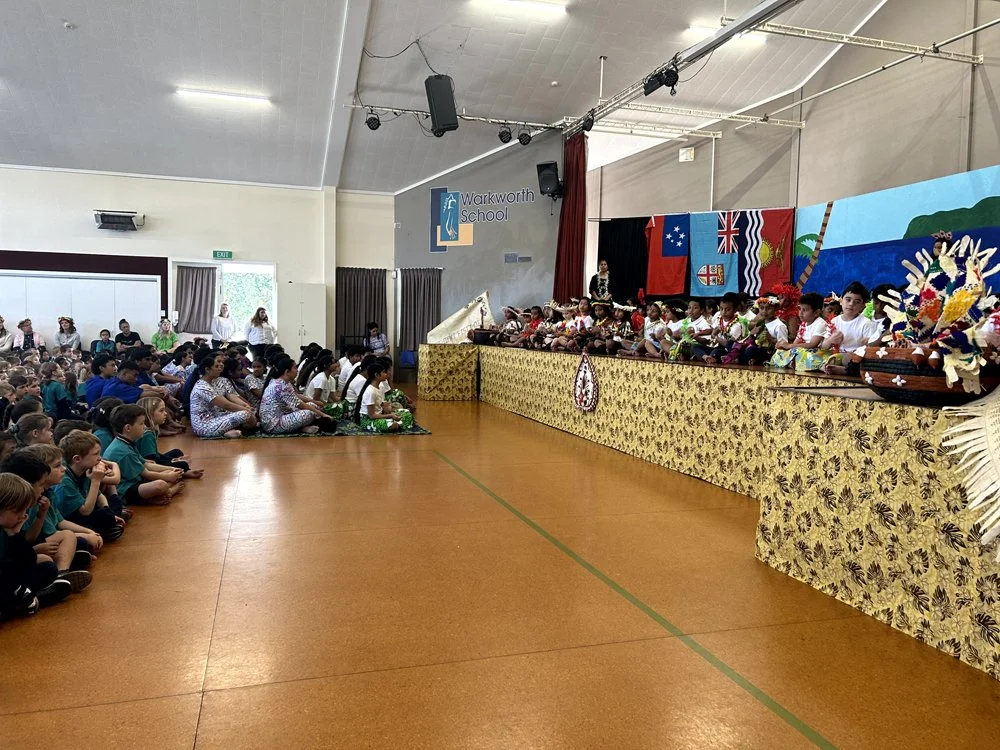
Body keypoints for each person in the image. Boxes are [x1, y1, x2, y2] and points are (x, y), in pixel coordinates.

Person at [15, 444, 106, 561]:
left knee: (91, 532)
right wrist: (86, 536)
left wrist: (90, 532)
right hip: (43, 541)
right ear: (43, 471)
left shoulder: (48, 492)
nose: (64, 469)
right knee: (83, 540)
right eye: (57, 466)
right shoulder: (37, 498)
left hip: (53, 537)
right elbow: (51, 532)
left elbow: (60, 521)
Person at [0, 472, 74, 616]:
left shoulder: (9, 527)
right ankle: (32, 600)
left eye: (24, 510)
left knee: (48, 567)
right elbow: (8, 569)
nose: (23, 516)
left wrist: (15, 535)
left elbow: (28, 561)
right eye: (17, 511)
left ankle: (25, 600)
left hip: (11, 581)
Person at [102, 404, 184, 506]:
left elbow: (145, 464)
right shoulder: (123, 451)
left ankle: (153, 498)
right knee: (160, 485)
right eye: (141, 424)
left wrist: (171, 469)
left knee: (169, 473)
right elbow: (147, 473)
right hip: (124, 490)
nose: (144, 427)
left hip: (136, 481)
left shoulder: (127, 442)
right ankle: (169, 492)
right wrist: (169, 477)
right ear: (128, 428)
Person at [189, 355, 258, 439]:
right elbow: (226, 405)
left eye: (221, 364)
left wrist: (245, 406)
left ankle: (229, 431)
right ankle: (228, 432)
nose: (220, 368)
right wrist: (246, 409)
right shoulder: (202, 387)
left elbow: (231, 397)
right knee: (245, 414)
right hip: (204, 426)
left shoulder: (213, 382)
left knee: (247, 413)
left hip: (216, 417)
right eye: (216, 366)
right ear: (207, 370)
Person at [822, 282, 882, 375]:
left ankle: (842, 370)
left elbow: (870, 350)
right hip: (834, 355)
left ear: (863, 306)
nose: (851, 304)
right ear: (841, 301)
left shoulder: (866, 323)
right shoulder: (834, 321)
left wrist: (866, 343)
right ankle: (826, 367)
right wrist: (830, 340)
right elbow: (824, 346)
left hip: (853, 358)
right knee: (810, 354)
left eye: (857, 302)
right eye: (848, 300)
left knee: (850, 359)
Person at [136, 396, 203, 478]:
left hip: (152, 461)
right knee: (183, 464)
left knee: (176, 452)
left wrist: (172, 460)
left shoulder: (151, 431)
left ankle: (181, 471)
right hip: (148, 464)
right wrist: (173, 461)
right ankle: (183, 473)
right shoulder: (148, 435)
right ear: (149, 414)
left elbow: (155, 454)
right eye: (161, 411)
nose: (165, 413)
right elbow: (152, 460)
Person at [258, 357, 327, 435]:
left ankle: (301, 427)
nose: (297, 370)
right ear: (287, 372)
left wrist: (315, 402)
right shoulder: (281, 386)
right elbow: (301, 405)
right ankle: (301, 428)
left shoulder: (281, 382)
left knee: (312, 405)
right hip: (274, 424)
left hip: (279, 416)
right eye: (295, 368)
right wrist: (323, 415)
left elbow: (296, 396)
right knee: (310, 413)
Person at [769, 292, 833, 372]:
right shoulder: (803, 323)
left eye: (805, 310)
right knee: (780, 352)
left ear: (816, 312)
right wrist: (785, 347)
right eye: (800, 309)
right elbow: (796, 342)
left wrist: (789, 346)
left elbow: (812, 345)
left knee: (803, 353)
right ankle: (795, 363)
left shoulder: (821, 323)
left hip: (816, 353)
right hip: (803, 351)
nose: (800, 313)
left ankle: (817, 366)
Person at [354, 362, 413, 433]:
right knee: (393, 425)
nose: (386, 374)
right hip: (369, 420)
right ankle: (396, 424)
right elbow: (371, 415)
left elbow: (380, 404)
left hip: (379, 415)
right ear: (377, 375)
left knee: (406, 413)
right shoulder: (371, 391)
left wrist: (387, 406)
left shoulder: (378, 387)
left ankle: (397, 423)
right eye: (384, 372)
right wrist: (390, 415)